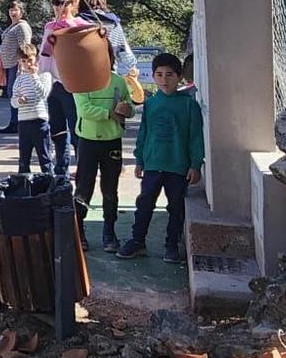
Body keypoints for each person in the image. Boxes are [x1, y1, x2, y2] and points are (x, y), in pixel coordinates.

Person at [121, 53, 204, 265]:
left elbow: (195, 137)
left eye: (169, 75)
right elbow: (144, 133)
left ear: (179, 77)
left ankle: (171, 245)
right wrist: (139, 159)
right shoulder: (151, 104)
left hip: (177, 166)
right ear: (154, 77)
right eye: (159, 75)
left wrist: (195, 164)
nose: (164, 80)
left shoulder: (189, 105)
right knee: (145, 203)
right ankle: (137, 240)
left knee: (175, 207)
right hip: (153, 164)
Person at [73, 65, 134, 251]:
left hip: (112, 141)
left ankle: (109, 231)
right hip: (88, 141)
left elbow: (130, 107)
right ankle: (78, 230)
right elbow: (84, 110)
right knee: (84, 186)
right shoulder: (81, 81)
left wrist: (127, 109)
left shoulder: (118, 81)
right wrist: (109, 113)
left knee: (110, 188)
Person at [38, 0, 85, 180]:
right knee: (57, 130)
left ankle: (83, 168)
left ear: (75, 5)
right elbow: (44, 56)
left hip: (73, 85)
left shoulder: (80, 25)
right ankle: (61, 170)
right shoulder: (49, 27)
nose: (61, 7)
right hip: (53, 84)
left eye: (67, 3)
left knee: (77, 130)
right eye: (57, 3)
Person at [9, 41, 54, 173]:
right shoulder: (19, 80)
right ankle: (24, 186)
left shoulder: (44, 75)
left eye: (30, 60)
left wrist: (34, 76)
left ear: (36, 59)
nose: (27, 64)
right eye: (23, 61)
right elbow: (13, 101)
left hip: (39, 121)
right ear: (20, 62)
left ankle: (49, 184)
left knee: (44, 156)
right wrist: (18, 100)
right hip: (23, 122)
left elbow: (43, 94)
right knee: (24, 158)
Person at [0, 0, 32, 137]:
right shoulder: (13, 26)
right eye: (11, 10)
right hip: (9, 65)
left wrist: (22, 67)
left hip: (17, 65)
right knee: (12, 93)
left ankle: (17, 123)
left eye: (15, 10)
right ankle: (14, 121)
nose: (12, 12)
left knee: (15, 93)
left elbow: (25, 47)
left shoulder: (22, 27)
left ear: (21, 12)